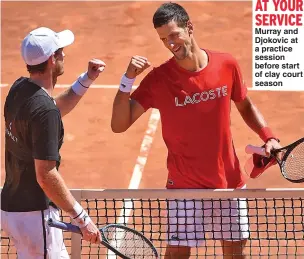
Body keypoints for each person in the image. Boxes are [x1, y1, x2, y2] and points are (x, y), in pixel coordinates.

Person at [111, 2, 281, 259]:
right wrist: (127, 80)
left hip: (229, 181)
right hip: (184, 185)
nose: (170, 44)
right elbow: (119, 124)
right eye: (163, 39)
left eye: (173, 35)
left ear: (189, 27)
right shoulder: (159, 79)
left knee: (237, 254)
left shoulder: (226, 64)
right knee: (178, 253)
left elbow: (245, 105)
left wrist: (268, 136)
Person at [1, 27, 106, 259]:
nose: (64, 55)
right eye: (60, 52)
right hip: (34, 216)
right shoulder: (43, 110)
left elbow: (52, 112)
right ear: (51, 59)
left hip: (12, 209)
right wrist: (82, 219)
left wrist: (86, 80)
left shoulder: (19, 89)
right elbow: (46, 175)